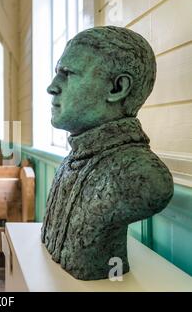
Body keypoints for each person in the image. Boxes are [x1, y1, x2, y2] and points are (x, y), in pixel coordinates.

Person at [41, 26, 174, 280]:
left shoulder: (142, 177)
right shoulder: (71, 161)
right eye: (58, 72)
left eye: (67, 73)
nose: (52, 87)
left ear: (117, 88)